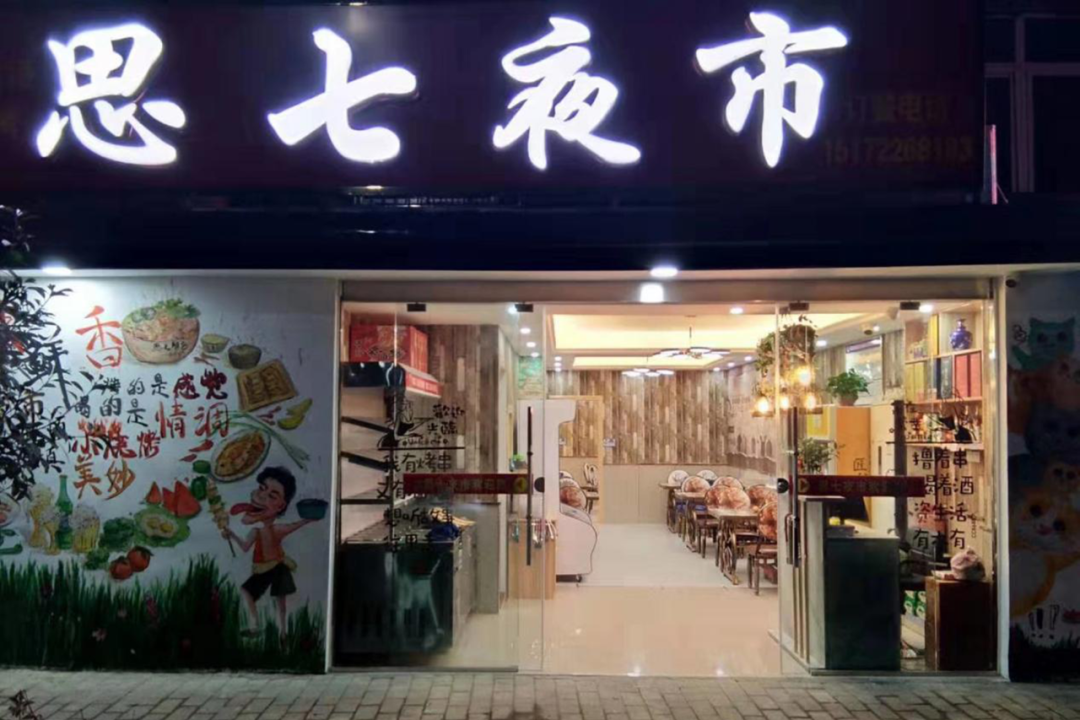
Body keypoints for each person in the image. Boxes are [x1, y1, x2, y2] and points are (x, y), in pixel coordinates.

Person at [221, 467, 318, 640]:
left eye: (272, 496)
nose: (261, 496)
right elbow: (245, 547)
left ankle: (283, 633)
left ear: (281, 506)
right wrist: (232, 535)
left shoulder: (277, 529)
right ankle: (255, 627)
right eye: (261, 488)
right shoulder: (255, 531)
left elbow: (293, 526)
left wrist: (307, 519)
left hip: (279, 567)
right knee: (247, 591)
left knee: (281, 602)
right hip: (262, 569)